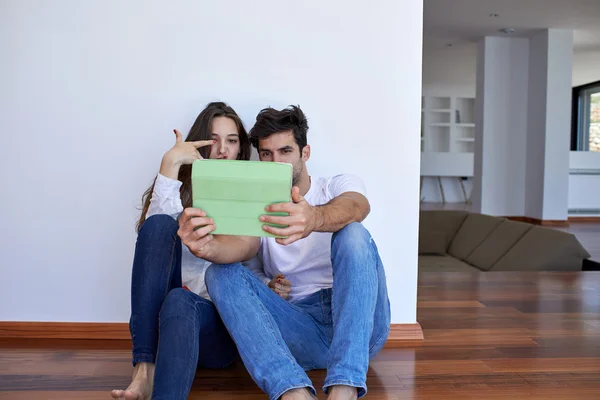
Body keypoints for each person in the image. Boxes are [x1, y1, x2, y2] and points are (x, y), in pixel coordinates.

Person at [177, 105, 391, 400]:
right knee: (220, 271)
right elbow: (244, 246)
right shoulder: (257, 207)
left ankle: (346, 386)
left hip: (359, 325)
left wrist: (313, 218)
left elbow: (357, 206)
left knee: (353, 232)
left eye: (286, 151)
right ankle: (292, 391)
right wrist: (209, 248)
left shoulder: (336, 185)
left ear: (305, 153)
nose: (276, 162)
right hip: (298, 325)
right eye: (267, 154)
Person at [110, 101, 291, 400]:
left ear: (241, 149)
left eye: (232, 141)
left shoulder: (253, 195)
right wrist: (170, 164)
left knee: (184, 300)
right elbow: (152, 238)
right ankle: (144, 371)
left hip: (214, 327)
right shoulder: (180, 196)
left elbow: (248, 259)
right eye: (213, 140)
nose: (222, 149)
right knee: (158, 227)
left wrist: (266, 288)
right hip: (164, 320)